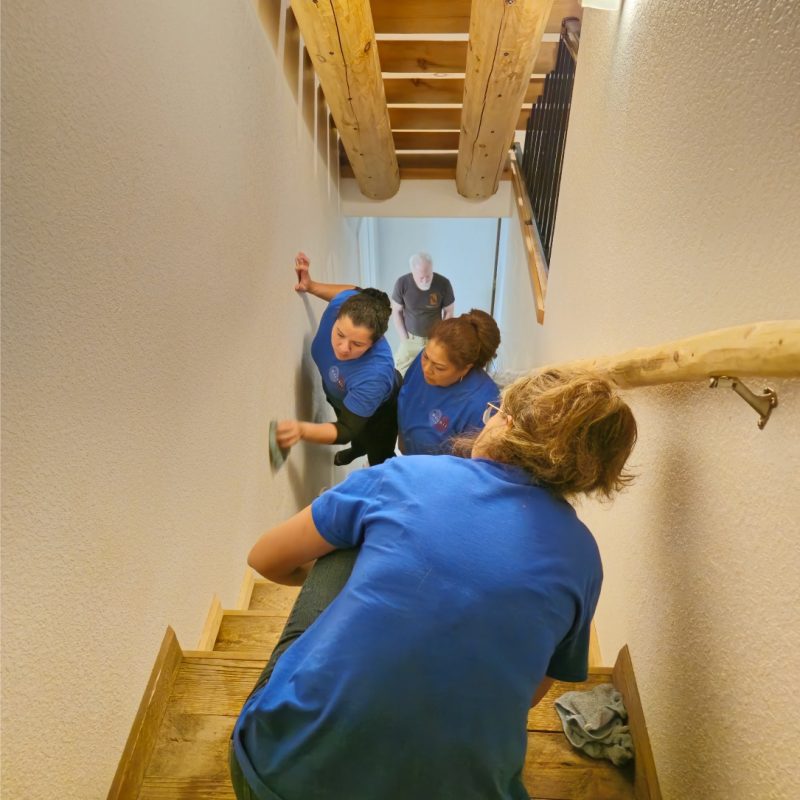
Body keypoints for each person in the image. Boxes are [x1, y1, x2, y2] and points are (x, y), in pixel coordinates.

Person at [231, 369, 638, 800]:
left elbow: (265, 558)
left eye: (495, 411)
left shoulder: (406, 476)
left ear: (509, 425)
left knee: (345, 539)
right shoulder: (583, 559)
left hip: (273, 776)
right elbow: (530, 695)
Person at [276, 252, 400, 467]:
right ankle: (357, 450)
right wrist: (311, 285)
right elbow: (350, 291)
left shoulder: (374, 374)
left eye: (358, 344)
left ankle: (369, 455)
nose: (342, 349)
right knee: (358, 438)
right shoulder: (343, 303)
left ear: (374, 342)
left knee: (379, 457)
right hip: (341, 393)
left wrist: (301, 429)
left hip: (380, 410)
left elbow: (345, 428)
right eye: (340, 334)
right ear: (338, 315)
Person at [398, 309, 501, 455]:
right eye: (426, 357)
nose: (426, 369)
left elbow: (474, 467)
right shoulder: (426, 360)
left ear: (465, 369)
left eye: (439, 368)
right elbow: (406, 396)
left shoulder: (483, 406)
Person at [391, 252, 455, 376]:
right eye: (421, 277)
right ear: (412, 272)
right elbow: (396, 312)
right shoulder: (402, 283)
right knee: (400, 375)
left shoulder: (443, 283)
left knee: (435, 375)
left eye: (428, 275)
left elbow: (449, 311)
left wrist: (441, 337)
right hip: (410, 340)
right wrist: (404, 339)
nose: (425, 280)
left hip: (434, 340)